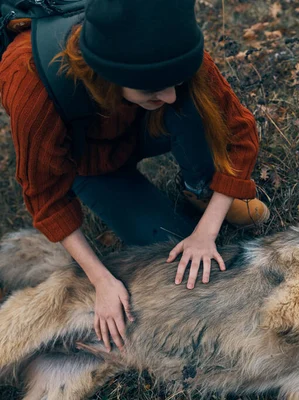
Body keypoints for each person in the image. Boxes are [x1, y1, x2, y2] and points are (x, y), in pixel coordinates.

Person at [0, 0, 269, 353]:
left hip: (147, 127)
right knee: (171, 252)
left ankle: (199, 189)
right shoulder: (30, 78)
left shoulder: (170, 42)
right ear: (108, 75)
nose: (170, 94)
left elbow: (239, 132)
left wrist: (207, 230)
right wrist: (101, 280)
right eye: (152, 88)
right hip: (94, 164)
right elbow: (47, 198)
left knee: (190, 107)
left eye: (175, 82)